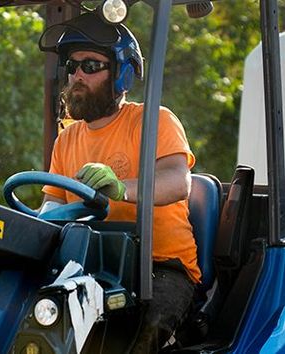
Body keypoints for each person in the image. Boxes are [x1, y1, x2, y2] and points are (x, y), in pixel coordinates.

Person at [38, 12, 201, 353]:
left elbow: (177, 181)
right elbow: (52, 207)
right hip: (91, 268)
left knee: (136, 343)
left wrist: (122, 189)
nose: (77, 75)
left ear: (122, 74)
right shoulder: (65, 141)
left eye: (91, 66)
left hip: (160, 268)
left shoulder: (154, 120)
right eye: (72, 66)